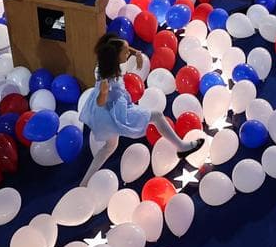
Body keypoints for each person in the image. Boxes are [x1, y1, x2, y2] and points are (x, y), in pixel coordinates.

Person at [78, 33, 204, 187]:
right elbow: (100, 102)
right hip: (115, 111)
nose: (127, 54)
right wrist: (104, 93)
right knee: (156, 116)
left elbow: (119, 45)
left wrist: (136, 52)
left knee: (109, 146)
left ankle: (84, 183)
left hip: (110, 110)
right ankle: (181, 147)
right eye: (125, 52)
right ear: (116, 55)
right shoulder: (107, 77)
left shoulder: (107, 61)